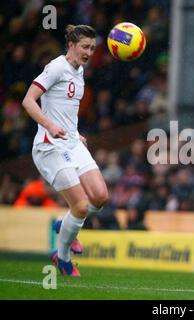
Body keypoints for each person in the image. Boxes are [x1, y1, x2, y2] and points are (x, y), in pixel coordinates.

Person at [22, 25, 109, 277]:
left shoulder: (79, 70)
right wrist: (50, 125)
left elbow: (65, 108)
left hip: (71, 142)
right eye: (84, 46)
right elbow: (28, 100)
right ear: (71, 44)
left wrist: (74, 131)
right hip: (50, 146)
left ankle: (65, 224)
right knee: (81, 207)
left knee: (100, 197)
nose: (89, 52)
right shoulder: (56, 67)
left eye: (92, 48)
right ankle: (62, 258)